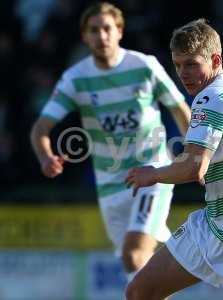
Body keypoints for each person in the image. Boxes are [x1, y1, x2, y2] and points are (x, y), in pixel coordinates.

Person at [125, 19, 223, 300]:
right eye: (177, 65)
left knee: (140, 293)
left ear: (215, 60)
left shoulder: (211, 98)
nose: (183, 74)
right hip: (212, 226)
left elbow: (193, 167)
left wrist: (152, 174)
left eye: (191, 64)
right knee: (140, 292)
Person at [30, 2, 191, 282]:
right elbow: (40, 129)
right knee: (137, 268)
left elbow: (180, 110)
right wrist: (45, 157)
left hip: (152, 172)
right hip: (109, 185)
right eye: (94, 30)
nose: (101, 36)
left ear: (119, 31)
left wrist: (194, 155)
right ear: (85, 37)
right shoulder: (76, 78)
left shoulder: (144, 66)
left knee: (134, 254)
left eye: (107, 28)